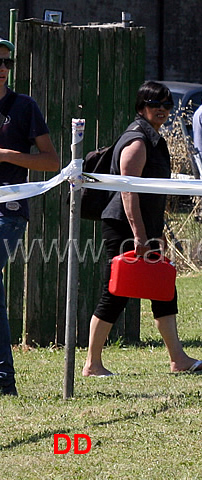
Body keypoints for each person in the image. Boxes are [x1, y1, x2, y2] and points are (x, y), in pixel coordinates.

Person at [82, 81, 202, 377]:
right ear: (142, 107)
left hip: (145, 228)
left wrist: (156, 233)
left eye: (168, 105)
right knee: (114, 293)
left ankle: (178, 359)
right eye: (157, 105)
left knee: (163, 290)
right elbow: (129, 192)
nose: (164, 110)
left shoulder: (151, 137)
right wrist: (140, 236)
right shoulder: (138, 140)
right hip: (124, 226)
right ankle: (92, 364)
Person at [0, 38, 60, 396]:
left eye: (7, 61)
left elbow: (51, 161)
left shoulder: (24, 107)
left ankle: (4, 378)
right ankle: (5, 381)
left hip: (8, 212)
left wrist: (7, 155)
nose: (3, 67)